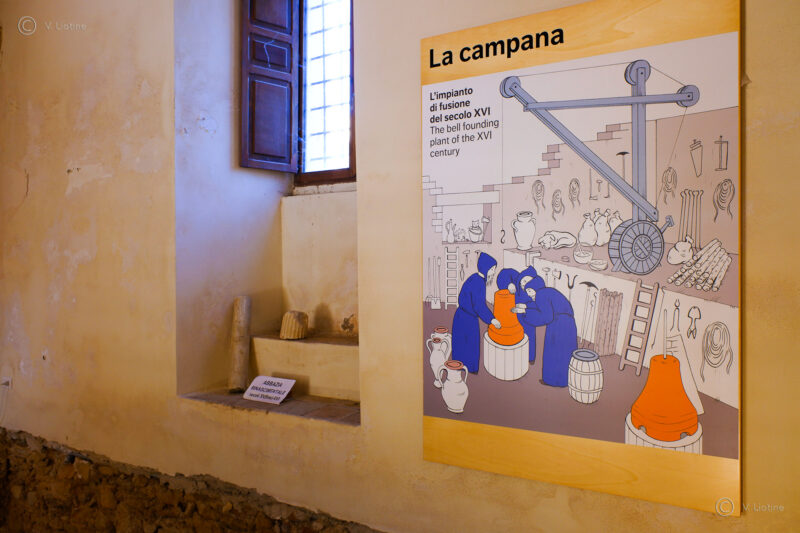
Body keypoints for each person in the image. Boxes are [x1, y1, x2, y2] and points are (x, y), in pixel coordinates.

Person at [514, 273, 577, 387]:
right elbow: (541, 307)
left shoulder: (541, 295)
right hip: (565, 322)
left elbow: (545, 317)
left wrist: (525, 312)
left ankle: (553, 380)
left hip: (559, 324)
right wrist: (526, 307)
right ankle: (564, 380)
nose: (528, 294)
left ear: (534, 289)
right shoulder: (544, 292)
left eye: (529, 291)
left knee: (554, 352)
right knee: (563, 352)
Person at [451, 252, 501, 373]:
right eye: (492, 269)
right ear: (486, 268)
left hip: (460, 316)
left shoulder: (474, 277)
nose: (493, 272)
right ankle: (469, 370)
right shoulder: (479, 283)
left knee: (461, 345)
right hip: (468, 319)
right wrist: (492, 320)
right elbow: (479, 306)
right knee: (470, 345)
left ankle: (459, 368)